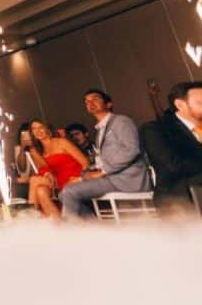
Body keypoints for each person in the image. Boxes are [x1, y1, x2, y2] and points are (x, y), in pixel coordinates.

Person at [59, 89, 152, 220]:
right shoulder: (100, 130)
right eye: (87, 101)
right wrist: (83, 177)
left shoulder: (121, 121)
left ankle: (71, 234)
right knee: (63, 193)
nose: (90, 103)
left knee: (70, 192)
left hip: (127, 180)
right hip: (112, 178)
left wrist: (103, 171)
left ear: (108, 104)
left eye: (95, 99)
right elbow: (103, 162)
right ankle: (97, 230)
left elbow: (131, 150)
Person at [140, 81, 202, 213]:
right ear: (180, 104)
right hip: (179, 199)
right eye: (200, 102)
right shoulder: (155, 130)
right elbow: (174, 166)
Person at [24, 119, 89, 220]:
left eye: (41, 127)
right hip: (54, 180)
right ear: (32, 133)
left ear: (48, 129)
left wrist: (80, 178)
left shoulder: (61, 142)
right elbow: (43, 167)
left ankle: (29, 219)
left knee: (34, 180)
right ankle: (58, 225)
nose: (38, 131)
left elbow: (85, 162)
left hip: (71, 178)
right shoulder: (35, 150)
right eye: (34, 129)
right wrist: (47, 173)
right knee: (40, 190)